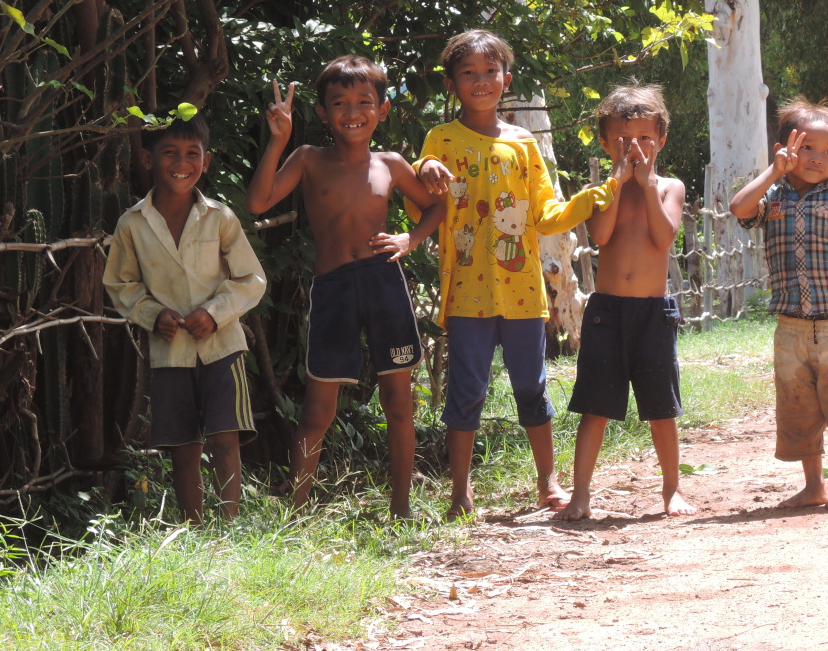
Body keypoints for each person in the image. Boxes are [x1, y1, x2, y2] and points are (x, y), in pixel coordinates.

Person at [410, 29, 620, 517]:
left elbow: (546, 216)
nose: (481, 81)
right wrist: (422, 169)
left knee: (531, 386)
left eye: (491, 71)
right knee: (468, 390)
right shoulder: (440, 141)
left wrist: (597, 196)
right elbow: (422, 202)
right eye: (468, 73)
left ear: (506, 79)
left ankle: (548, 483)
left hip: (522, 291)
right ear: (450, 84)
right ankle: (460, 493)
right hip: (465, 292)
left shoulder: (524, 144)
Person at [246, 55, 445, 519]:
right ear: (322, 113)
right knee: (318, 411)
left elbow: (436, 207)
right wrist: (279, 140)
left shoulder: (391, 164)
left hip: (384, 283)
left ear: (383, 110)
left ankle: (401, 508)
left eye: (363, 102)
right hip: (333, 290)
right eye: (339, 103)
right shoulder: (308, 158)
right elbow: (258, 201)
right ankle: (296, 515)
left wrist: (410, 239)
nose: (352, 112)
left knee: (399, 402)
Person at [103, 110, 267, 524]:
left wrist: (214, 313)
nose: (181, 163)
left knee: (226, 438)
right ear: (147, 159)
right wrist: (152, 314)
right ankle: (194, 527)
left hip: (222, 346)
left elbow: (251, 278)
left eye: (192, 153)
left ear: (206, 161)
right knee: (183, 446)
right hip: (169, 352)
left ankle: (228, 527)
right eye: (169, 153)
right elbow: (121, 284)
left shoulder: (220, 217)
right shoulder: (132, 224)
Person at [729, 96, 828, 510]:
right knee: (798, 407)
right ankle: (814, 485)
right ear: (785, 149)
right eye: (808, 148)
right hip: (791, 327)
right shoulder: (772, 196)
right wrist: (773, 171)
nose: (818, 157)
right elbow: (738, 208)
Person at [556, 84, 697, 521]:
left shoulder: (669, 187)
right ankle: (581, 494)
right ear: (604, 143)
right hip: (608, 313)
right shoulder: (600, 190)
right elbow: (600, 235)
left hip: (653, 314)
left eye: (644, 138)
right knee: (595, 407)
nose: (633, 148)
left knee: (661, 409)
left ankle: (671, 489)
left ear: (661, 140)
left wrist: (647, 184)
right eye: (622, 139)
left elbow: (663, 237)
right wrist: (616, 183)